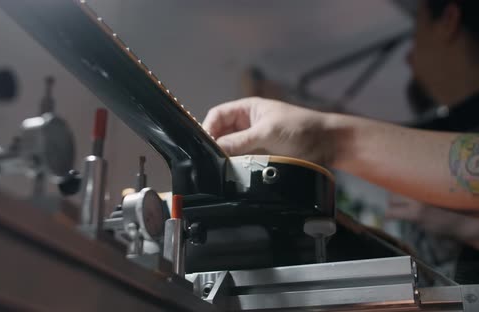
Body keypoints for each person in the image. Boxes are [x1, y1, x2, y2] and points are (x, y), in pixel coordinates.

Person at [203, 0, 479, 282]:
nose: (409, 56)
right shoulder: (443, 126)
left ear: (448, 19)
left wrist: (325, 138)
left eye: (418, 29)